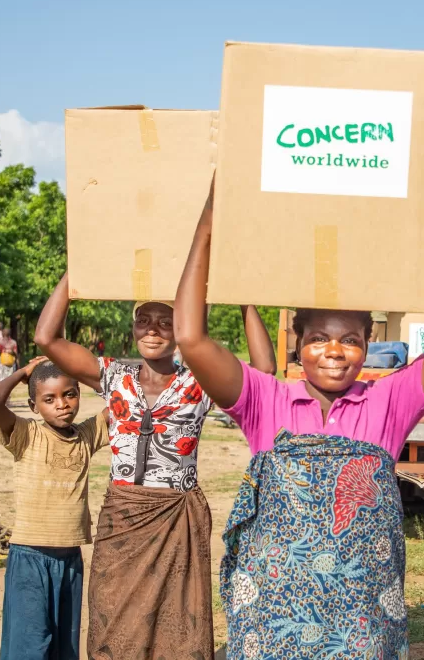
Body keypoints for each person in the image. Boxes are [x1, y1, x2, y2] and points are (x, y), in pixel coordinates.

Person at [172, 186, 424, 660]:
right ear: (298, 344)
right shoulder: (265, 398)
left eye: (351, 340)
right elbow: (190, 337)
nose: (335, 352)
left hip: (360, 620)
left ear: (367, 345)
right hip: (275, 613)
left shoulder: (389, 402)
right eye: (319, 338)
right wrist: (208, 228)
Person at [35, 270, 276, 660]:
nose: (153, 330)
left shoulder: (200, 381)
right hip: (123, 516)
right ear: (133, 327)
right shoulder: (113, 375)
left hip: (175, 516)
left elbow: (264, 371)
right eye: (144, 320)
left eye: (166, 322)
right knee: (111, 614)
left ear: (181, 328)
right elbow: (46, 338)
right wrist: (77, 270)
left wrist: (242, 295)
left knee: (177, 618)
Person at [0, 357, 109, 660]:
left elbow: (121, 401)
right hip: (31, 557)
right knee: (29, 643)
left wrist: (81, 368)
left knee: (64, 644)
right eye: (49, 399)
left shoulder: (86, 435)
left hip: (69, 558)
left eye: (70, 394)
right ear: (33, 406)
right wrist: (24, 372)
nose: (62, 404)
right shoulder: (27, 435)